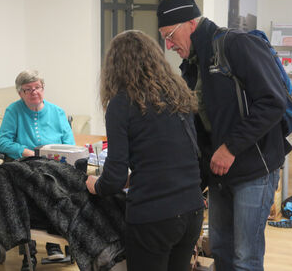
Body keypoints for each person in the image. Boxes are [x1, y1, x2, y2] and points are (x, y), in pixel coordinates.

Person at [156, 0, 291, 271]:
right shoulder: (193, 64)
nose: (168, 45)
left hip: (254, 168)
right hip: (219, 176)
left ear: (191, 24)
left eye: (170, 35)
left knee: (245, 259)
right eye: (164, 38)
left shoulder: (236, 45)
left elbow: (273, 101)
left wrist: (230, 148)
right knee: (221, 252)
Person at [85, 30, 204, 271]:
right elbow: (170, 157)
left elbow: (114, 178)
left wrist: (94, 185)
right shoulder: (178, 92)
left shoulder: (122, 103)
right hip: (191, 209)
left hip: (154, 216)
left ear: (116, 67)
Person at [0, 70, 75, 270]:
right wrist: (25, 151)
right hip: (25, 165)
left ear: (43, 88)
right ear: (20, 93)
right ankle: (29, 251)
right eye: (28, 89)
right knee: (35, 191)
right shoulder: (13, 111)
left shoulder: (57, 112)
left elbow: (70, 144)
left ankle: (54, 242)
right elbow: (3, 142)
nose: (34, 92)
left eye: (37, 87)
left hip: (54, 166)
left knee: (59, 190)